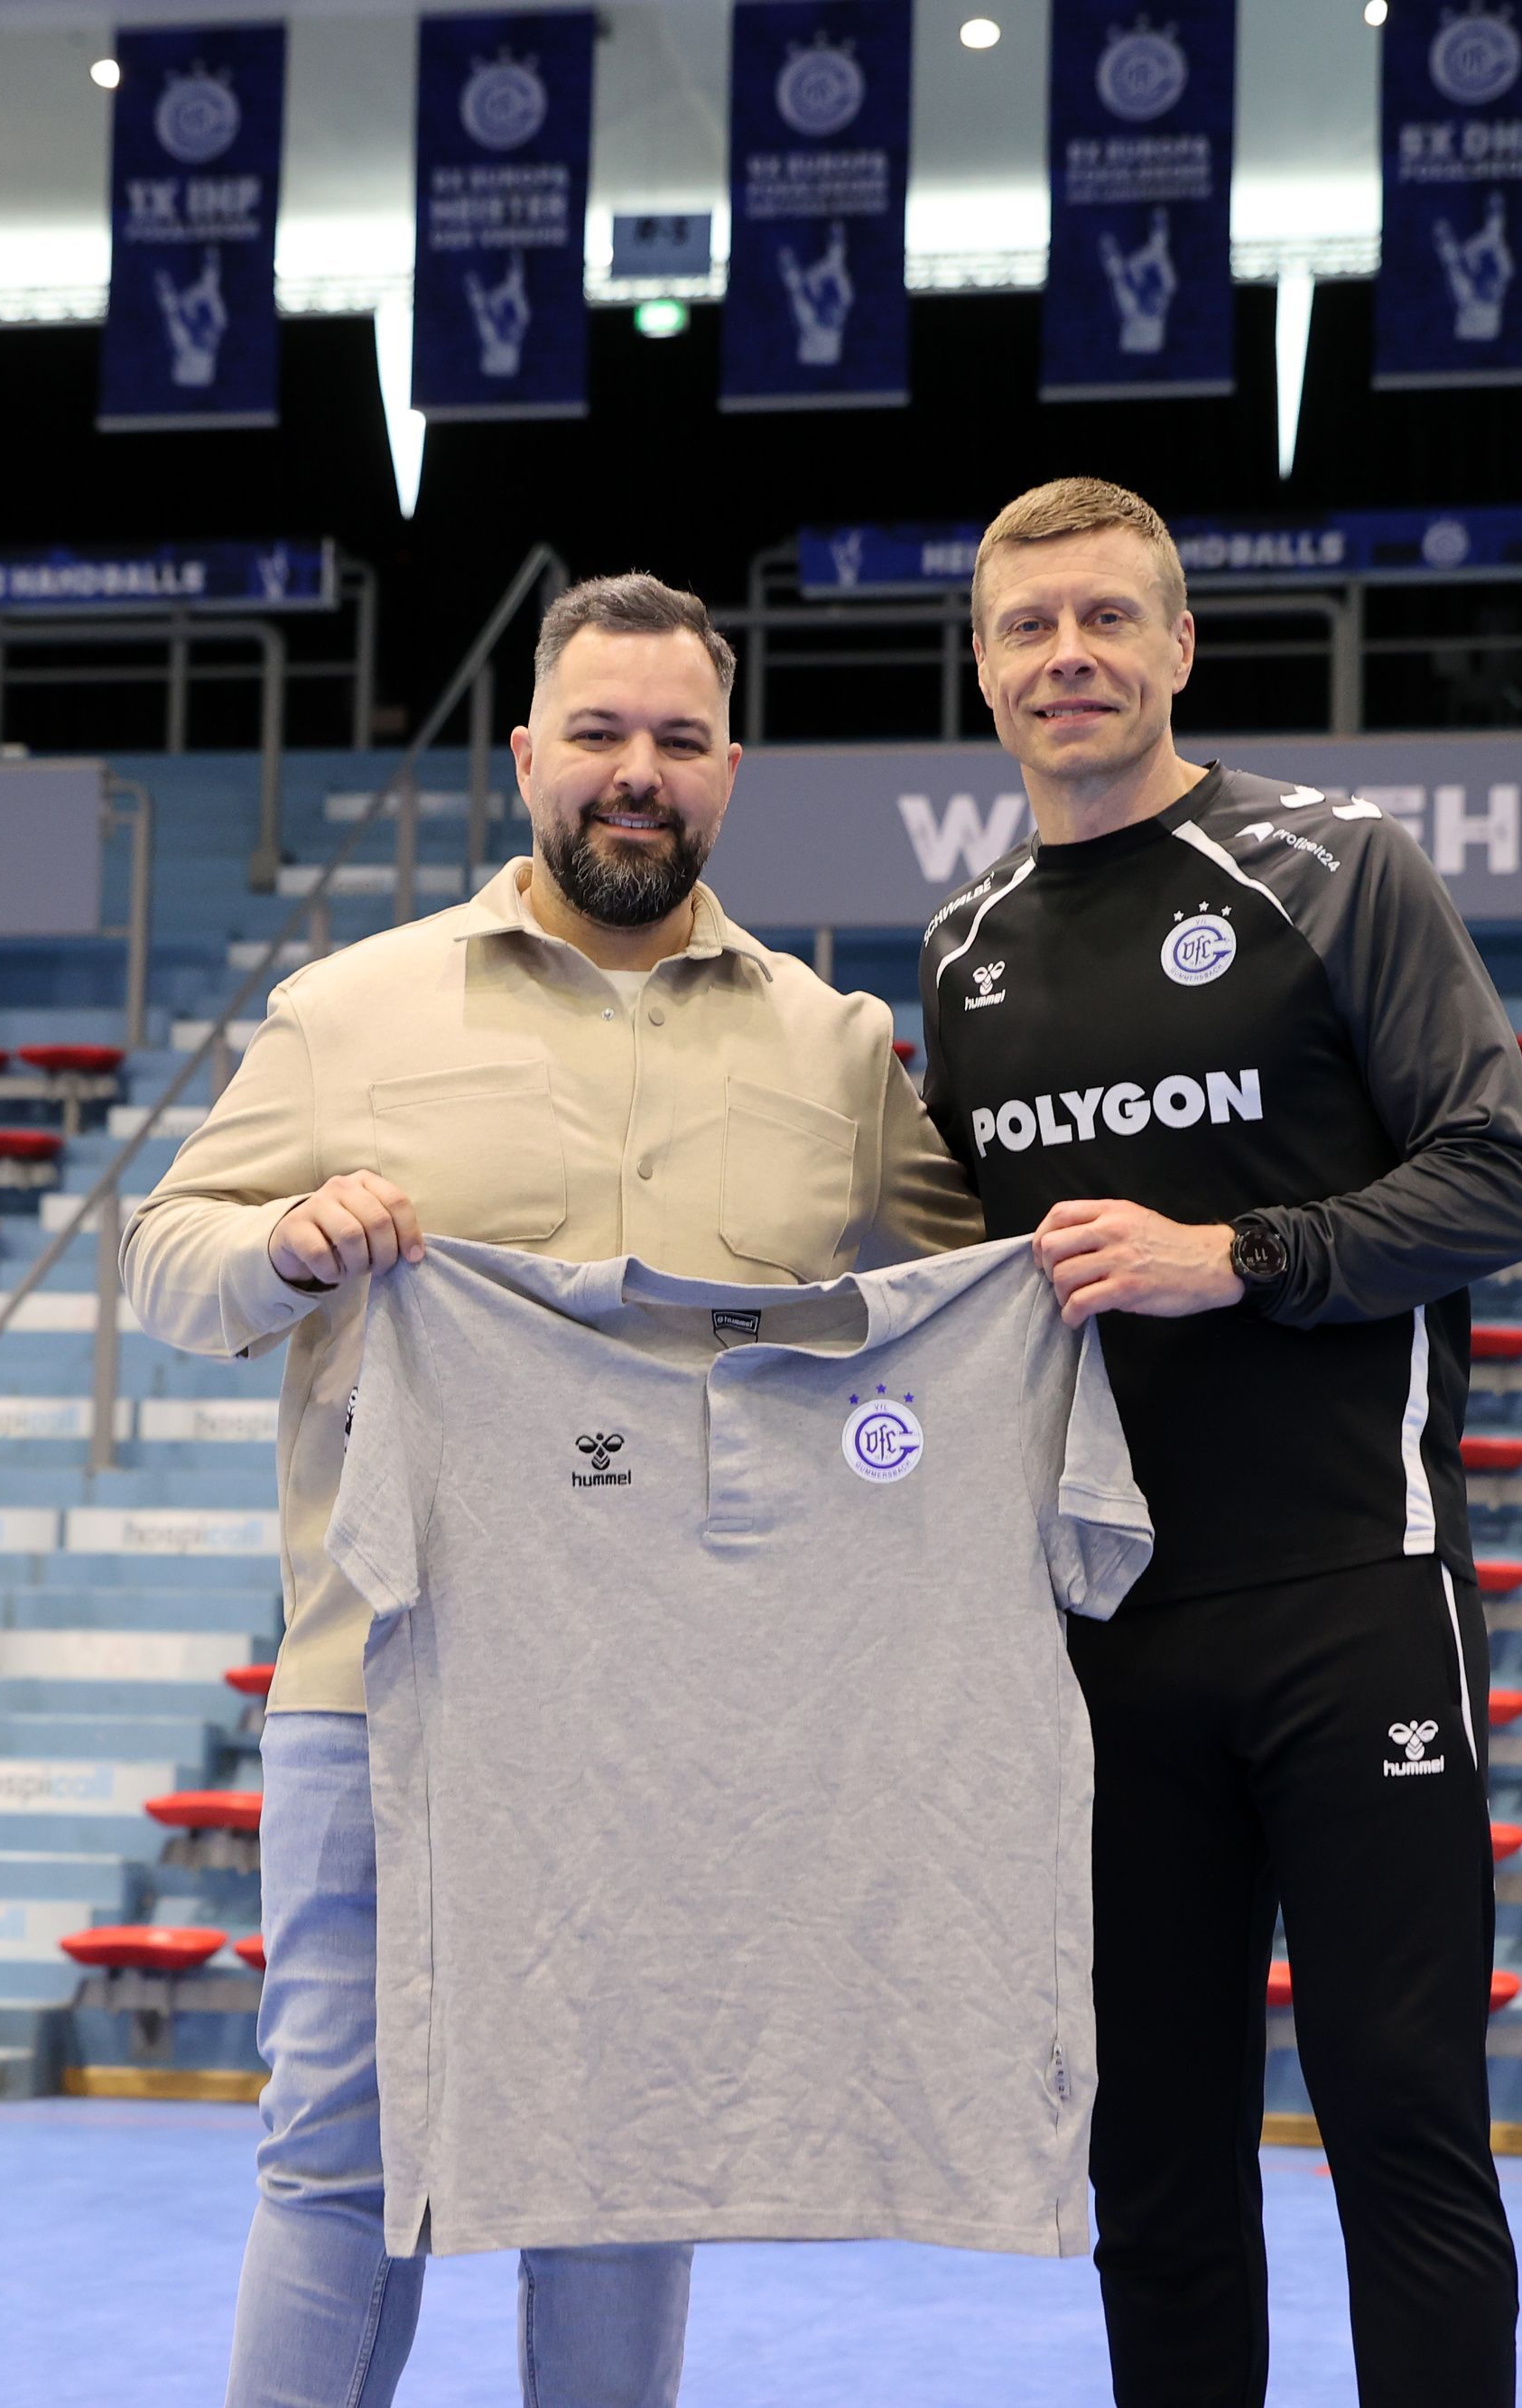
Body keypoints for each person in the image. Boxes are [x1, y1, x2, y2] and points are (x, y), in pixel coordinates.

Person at [124, 571, 982, 2408]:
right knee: (340, 2164)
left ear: (730, 770)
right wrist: (287, 1241)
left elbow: (966, 1306)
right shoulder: (348, 1011)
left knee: (629, 2174)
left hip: (687, 1720)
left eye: (676, 738)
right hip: (388, 1690)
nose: (634, 771)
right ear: (524, 756)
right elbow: (164, 1263)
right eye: (596, 732)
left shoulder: (835, 1048)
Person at [914, 478, 1522, 2408]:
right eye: (1029, 627)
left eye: (1108, 617)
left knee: (1401, 2126)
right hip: (1105, 1638)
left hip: (1352, 1595)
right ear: (983, 668)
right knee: (1155, 2164)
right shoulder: (963, 953)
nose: (1069, 657)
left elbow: (1500, 1177)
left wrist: (1241, 1256)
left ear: (1179, 644)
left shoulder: (1333, 867)